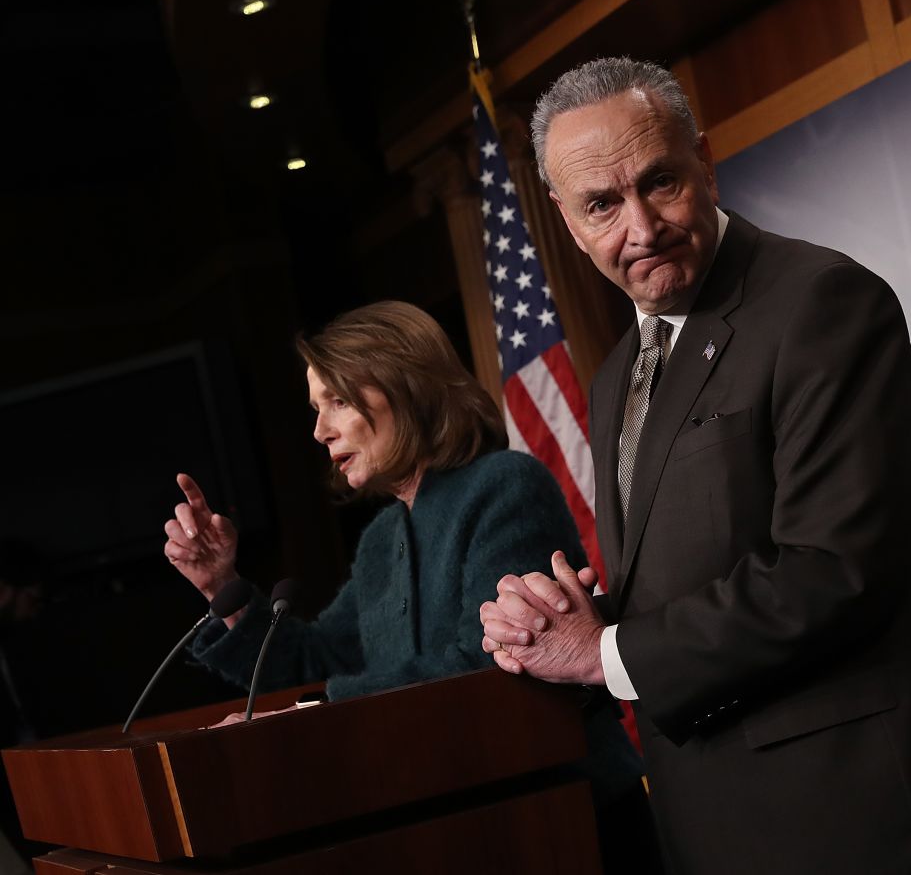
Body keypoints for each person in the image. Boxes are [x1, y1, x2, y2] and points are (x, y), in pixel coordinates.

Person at [479, 58, 911, 874]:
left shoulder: (823, 303)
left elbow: (832, 570)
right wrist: (563, 619)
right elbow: (694, 562)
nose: (641, 227)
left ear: (704, 160)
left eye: (659, 181)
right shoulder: (614, 374)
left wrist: (604, 655)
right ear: (565, 219)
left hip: (858, 826)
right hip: (716, 823)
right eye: (602, 204)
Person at [162, 300, 656, 873]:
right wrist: (220, 585)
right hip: (456, 830)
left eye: (337, 402)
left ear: (405, 388)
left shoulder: (503, 487)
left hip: (568, 823)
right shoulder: (381, 539)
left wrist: (318, 710)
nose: (319, 430)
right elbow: (316, 660)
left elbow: (492, 663)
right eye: (316, 408)